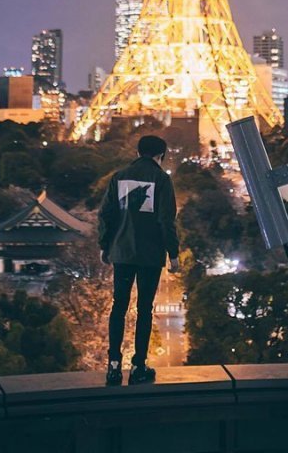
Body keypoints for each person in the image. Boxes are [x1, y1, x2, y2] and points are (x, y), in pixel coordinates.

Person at [98, 134, 179, 386]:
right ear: (161, 155)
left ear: (137, 152)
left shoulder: (119, 177)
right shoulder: (162, 180)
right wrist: (173, 253)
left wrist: (105, 245)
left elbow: (106, 214)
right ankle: (138, 365)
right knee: (145, 309)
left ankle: (113, 365)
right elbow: (166, 221)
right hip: (150, 255)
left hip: (122, 252)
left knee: (118, 307)